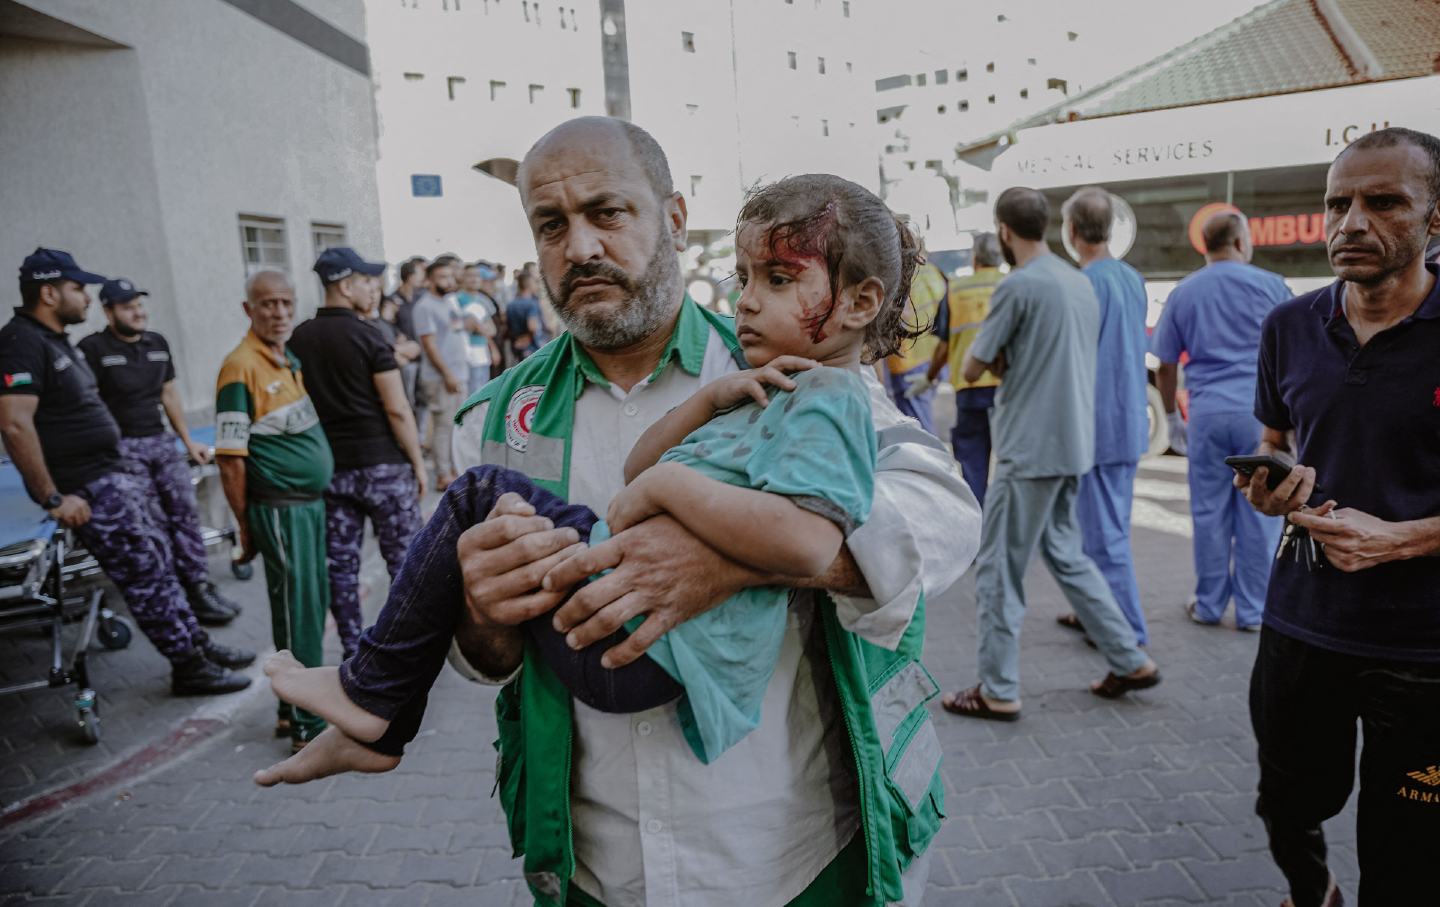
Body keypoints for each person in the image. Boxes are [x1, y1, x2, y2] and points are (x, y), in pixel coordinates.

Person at [254, 117, 982, 907]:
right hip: (597, 868)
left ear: (671, 218)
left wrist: (727, 560)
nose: (581, 247)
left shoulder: (781, 363)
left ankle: (370, 699)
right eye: (551, 224)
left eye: (607, 213)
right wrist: (483, 610)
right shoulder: (495, 419)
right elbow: (485, 658)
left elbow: (943, 510)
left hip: (794, 854)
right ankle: (373, 705)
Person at [266, 173, 911, 769]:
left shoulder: (833, 399)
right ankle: (376, 715)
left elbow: (807, 542)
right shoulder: (763, 388)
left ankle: (373, 696)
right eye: (743, 279)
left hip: (642, 650)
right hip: (630, 642)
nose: (745, 302)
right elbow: (638, 467)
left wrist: (672, 493)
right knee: (491, 510)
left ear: (859, 303)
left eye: (776, 279)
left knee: (480, 496)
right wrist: (708, 401)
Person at [1239, 127, 1440, 907]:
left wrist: (1400, 539)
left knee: (1409, 852)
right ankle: (1314, 893)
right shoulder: (1287, 326)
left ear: (1434, 218)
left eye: (1382, 201)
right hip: (1301, 621)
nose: (1350, 222)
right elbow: (1273, 442)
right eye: (1337, 203)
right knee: (1287, 805)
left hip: (1424, 649)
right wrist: (1268, 488)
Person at [941, 187, 1160, 722]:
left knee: (997, 568)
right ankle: (1128, 658)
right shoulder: (1078, 282)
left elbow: (973, 368)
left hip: (1029, 446)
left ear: (1004, 232)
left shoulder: (1019, 287)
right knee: (1065, 552)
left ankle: (997, 688)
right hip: (1073, 443)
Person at [0, 249, 253, 694]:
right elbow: (14, 424)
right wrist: (52, 498)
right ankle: (188, 666)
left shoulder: (54, 340)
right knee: (145, 577)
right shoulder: (20, 342)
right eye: (77, 288)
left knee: (159, 565)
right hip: (88, 486)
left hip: (112, 476)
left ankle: (196, 645)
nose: (85, 296)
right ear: (48, 291)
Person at [1152, 211, 1291, 630]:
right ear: (1238, 241)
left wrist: (1173, 416)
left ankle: (1209, 605)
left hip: (1208, 416)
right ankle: (1253, 611)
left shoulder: (1184, 291)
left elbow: (1164, 366)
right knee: (1257, 510)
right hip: (1259, 416)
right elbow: (1292, 355)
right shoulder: (1272, 286)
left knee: (1209, 511)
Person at [76, 277, 242, 626]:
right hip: (122, 450)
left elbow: (169, 394)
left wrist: (186, 440)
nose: (137, 312)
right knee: (152, 526)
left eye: (139, 305)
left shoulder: (157, 342)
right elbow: (86, 405)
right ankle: (172, 597)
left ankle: (198, 589)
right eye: (127, 307)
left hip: (161, 442)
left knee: (185, 515)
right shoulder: (93, 349)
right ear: (108, 312)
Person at [215, 270, 335, 750]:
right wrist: (245, 527)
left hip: (306, 507)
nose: (279, 312)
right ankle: (307, 723)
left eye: (286, 302)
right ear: (249, 310)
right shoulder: (238, 366)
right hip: (280, 512)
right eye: (267, 304)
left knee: (306, 610)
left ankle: (291, 710)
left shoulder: (285, 358)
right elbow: (229, 458)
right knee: (298, 615)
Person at [287, 248, 426, 660]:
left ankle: (352, 649)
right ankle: (406, 648)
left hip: (331, 470)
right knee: (405, 564)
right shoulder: (371, 337)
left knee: (340, 570)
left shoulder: (298, 339)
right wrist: (418, 463)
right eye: (367, 281)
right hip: (382, 465)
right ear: (345, 286)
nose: (374, 288)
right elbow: (398, 409)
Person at [1053, 188, 1151, 647]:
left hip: (1096, 427)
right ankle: (1093, 610)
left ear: (1072, 232)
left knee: (1104, 537)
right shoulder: (1130, 278)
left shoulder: (1082, 284)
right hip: (1125, 420)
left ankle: (1125, 631)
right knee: (1099, 528)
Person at [917, 232, 1003, 505]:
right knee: (1011, 462)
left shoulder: (956, 289)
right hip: (1008, 389)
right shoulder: (1011, 285)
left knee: (973, 460)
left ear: (975, 258)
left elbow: (943, 347)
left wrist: (929, 377)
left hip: (970, 389)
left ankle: (976, 520)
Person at [412, 260, 467, 489]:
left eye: (450, 276)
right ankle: (443, 474)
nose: (448, 281)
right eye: (442, 277)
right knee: (443, 425)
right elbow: (430, 346)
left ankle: (454, 468)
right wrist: (447, 374)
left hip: (458, 372)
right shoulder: (425, 307)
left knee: (457, 424)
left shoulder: (449, 302)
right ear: (430, 280)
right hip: (440, 377)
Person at [885, 254, 946, 434]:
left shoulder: (899, 276)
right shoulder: (932, 271)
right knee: (923, 416)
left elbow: (903, 317)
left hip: (908, 362)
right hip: (933, 358)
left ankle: (931, 460)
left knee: (919, 429)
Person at [387, 256, 426, 410]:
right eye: (420, 273)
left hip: (423, 354)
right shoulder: (392, 299)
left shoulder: (421, 298)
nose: (423, 277)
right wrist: (396, 334)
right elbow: (386, 323)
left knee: (423, 398)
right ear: (410, 276)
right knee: (408, 398)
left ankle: (421, 433)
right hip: (407, 358)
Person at [456, 262, 499, 393]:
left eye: (477, 276)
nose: (474, 279)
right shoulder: (456, 299)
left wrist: (479, 328)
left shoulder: (483, 300)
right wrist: (478, 326)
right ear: (462, 278)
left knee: (481, 392)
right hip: (465, 354)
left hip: (482, 353)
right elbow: (466, 325)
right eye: (470, 276)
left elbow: (492, 329)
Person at [504, 271, 549, 361]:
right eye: (534, 283)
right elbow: (532, 327)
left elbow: (507, 326)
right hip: (532, 347)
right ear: (528, 284)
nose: (536, 286)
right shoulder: (532, 304)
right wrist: (527, 339)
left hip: (516, 346)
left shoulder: (511, 304)